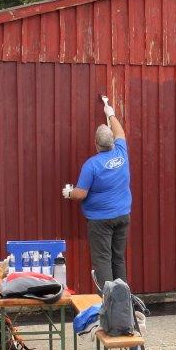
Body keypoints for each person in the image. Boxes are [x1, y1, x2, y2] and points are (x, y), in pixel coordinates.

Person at [63, 95, 131, 287]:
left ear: (95, 143)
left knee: (102, 260)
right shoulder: (121, 152)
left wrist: (68, 193)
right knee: (118, 259)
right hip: (122, 215)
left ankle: (109, 302)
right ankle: (122, 301)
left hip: (100, 220)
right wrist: (110, 113)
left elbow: (81, 193)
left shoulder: (91, 165)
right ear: (111, 141)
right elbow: (120, 133)